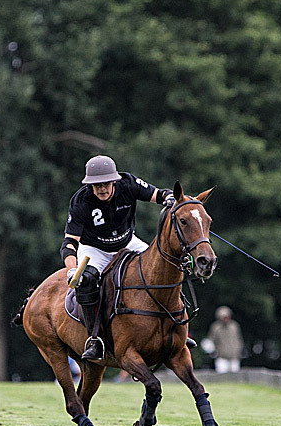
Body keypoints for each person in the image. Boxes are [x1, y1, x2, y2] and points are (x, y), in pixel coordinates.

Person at [60, 154, 188, 361]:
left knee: (164, 266)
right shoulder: (80, 201)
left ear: (114, 180)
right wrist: (72, 269)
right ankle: (95, 339)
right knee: (88, 281)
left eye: (106, 183)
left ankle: (177, 324)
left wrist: (169, 198)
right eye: (96, 185)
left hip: (128, 242)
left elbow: (158, 194)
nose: (102, 188)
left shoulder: (127, 184)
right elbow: (69, 243)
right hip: (95, 249)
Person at [206, 306, 244, 374]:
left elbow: (239, 339)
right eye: (224, 317)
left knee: (235, 377)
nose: (226, 318)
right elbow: (210, 341)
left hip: (234, 357)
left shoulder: (234, 326)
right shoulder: (215, 327)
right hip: (221, 357)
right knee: (221, 377)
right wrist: (214, 352)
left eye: (227, 316)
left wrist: (239, 350)